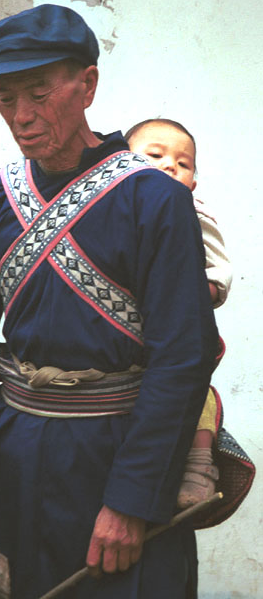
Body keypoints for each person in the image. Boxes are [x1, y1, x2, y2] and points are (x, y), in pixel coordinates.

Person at [0, 5, 218, 599]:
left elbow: (184, 357)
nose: (22, 117)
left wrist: (132, 501)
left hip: (115, 457)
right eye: (6, 99)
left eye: (38, 93)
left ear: (87, 86)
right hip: (8, 462)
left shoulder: (153, 200)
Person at [125, 118, 232, 508]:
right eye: (155, 155)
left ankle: (200, 465)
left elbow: (220, 274)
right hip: (125, 340)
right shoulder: (111, 213)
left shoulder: (193, 213)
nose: (171, 165)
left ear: (193, 183)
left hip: (179, 329)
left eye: (183, 163)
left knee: (192, 387)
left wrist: (184, 293)